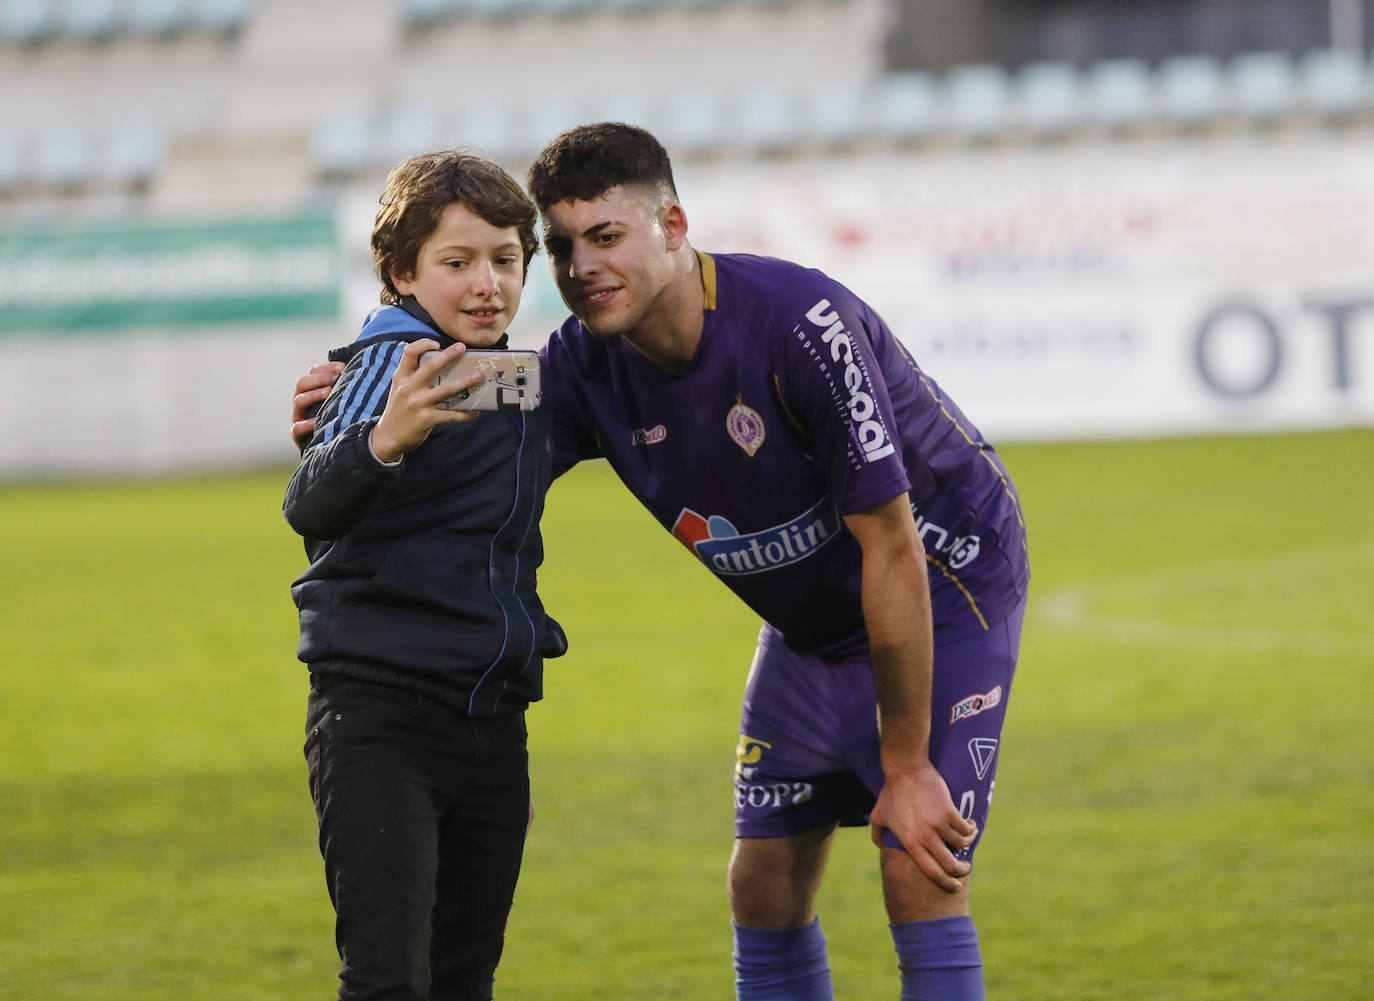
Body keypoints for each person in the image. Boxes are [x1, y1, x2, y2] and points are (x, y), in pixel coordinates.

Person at [293, 123, 1029, 1001]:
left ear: (673, 225)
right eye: (561, 247)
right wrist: (357, 394)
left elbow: (894, 545)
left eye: (606, 237)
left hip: (942, 588)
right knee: (761, 884)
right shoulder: (579, 366)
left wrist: (906, 765)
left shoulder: (801, 324)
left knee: (918, 864)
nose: (582, 267)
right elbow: (477, 399)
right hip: (812, 623)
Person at [283, 150, 567, 1001]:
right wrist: (374, 440)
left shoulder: (499, 374)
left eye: (506, 259)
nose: (487, 283)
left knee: (462, 978)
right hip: (381, 714)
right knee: (387, 982)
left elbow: (542, 390)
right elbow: (308, 503)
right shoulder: (396, 358)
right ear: (401, 272)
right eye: (457, 262)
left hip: (492, 718)